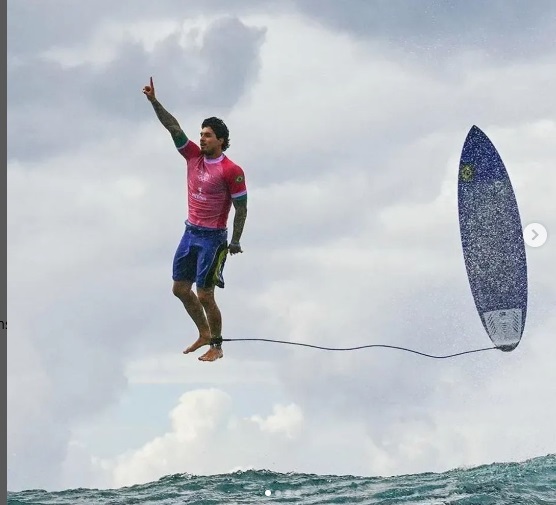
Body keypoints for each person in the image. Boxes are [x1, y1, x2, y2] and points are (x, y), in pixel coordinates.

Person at [142, 77, 247, 362]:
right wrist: (154, 101)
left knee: (205, 295)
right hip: (190, 233)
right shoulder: (192, 157)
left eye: (208, 135)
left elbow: (242, 207)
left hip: (213, 239)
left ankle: (217, 345)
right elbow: (173, 127)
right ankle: (203, 332)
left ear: (221, 140)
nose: (202, 138)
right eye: (201, 134)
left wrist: (235, 240)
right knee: (179, 289)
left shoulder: (231, 170)